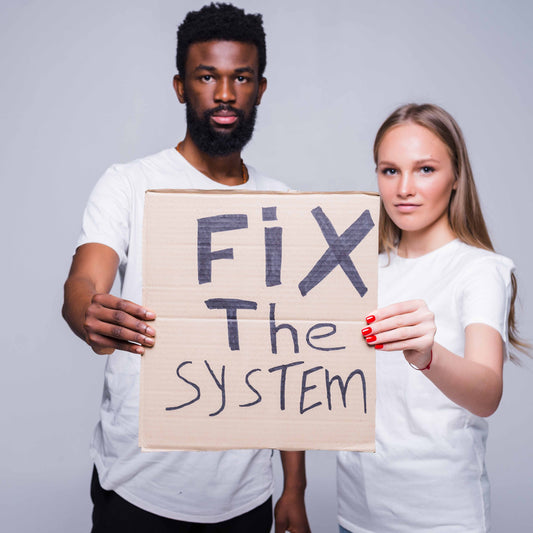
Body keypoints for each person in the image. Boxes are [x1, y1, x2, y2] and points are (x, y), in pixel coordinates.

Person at [62, 3, 310, 532]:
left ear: (260, 88)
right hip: (138, 484)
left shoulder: (284, 202)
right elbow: (85, 279)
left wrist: (294, 486)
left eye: (241, 77)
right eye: (207, 77)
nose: (224, 94)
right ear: (181, 87)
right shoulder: (129, 182)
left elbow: (289, 347)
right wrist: (88, 312)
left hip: (246, 493)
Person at [337, 103, 528, 533]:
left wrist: (427, 356)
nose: (404, 188)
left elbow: (487, 393)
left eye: (424, 169)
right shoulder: (358, 269)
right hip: (356, 512)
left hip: (439, 517)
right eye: (389, 171)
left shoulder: (480, 270)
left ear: (455, 177)